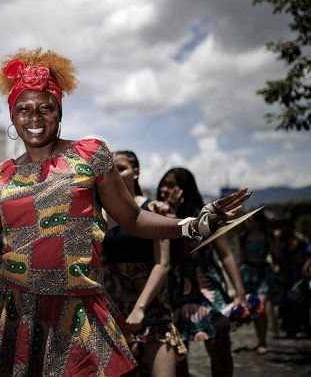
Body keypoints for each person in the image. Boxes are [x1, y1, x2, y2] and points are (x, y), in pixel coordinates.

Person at [0, 48, 251, 376]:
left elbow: (134, 219)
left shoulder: (90, 155)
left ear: (59, 112)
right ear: (13, 117)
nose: (34, 117)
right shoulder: (3, 174)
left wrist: (191, 224)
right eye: (24, 109)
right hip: (15, 308)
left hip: (75, 309)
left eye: (45, 107)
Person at [102, 151, 186, 377]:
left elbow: (163, 264)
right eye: (111, 169)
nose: (115, 174)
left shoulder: (157, 210)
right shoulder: (100, 214)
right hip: (114, 312)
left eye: (121, 168)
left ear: (136, 172)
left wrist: (140, 308)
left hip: (152, 307)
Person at [157, 167, 247, 377]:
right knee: (178, 350)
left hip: (208, 285)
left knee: (219, 344)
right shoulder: (158, 215)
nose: (164, 189)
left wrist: (240, 291)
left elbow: (225, 254)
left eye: (171, 184)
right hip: (176, 287)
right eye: (163, 184)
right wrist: (169, 213)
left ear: (185, 188)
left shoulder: (204, 215)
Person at [238, 209, 282, 354]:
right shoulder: (244, 237)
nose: (246, 222)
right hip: (249, 273)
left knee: (259, 306)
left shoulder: (267, 235)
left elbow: (276, 254)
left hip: (263, 272)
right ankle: (260, 340)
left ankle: (262, 342)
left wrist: (276, 239)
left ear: (257, 222)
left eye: (249, 220)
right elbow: (242, 258)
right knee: (255, 310)